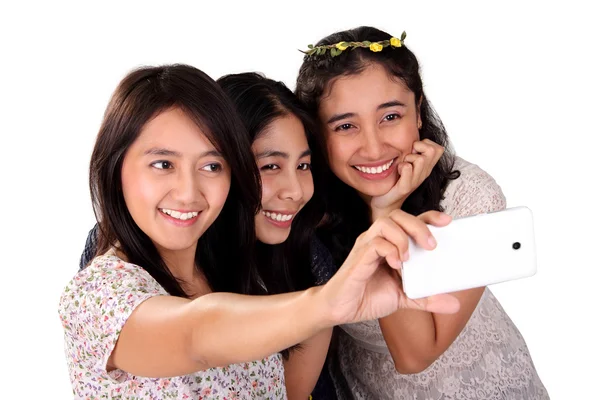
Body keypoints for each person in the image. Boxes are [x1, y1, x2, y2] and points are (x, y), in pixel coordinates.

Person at [60, 63, 459, 399]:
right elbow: (195, 335)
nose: (188, 192)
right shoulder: (98, 293)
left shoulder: (250, 275)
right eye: (163, 164)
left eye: (212, 166)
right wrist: (326, 303)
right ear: (115, 170)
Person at [295, 26, 549, 399]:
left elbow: (416, 355)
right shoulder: (304, 199)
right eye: (346, 126)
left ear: (418, 113)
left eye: (391, 117)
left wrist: (386, 213)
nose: (373, 146)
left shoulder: (470, 196)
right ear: (317, 133)